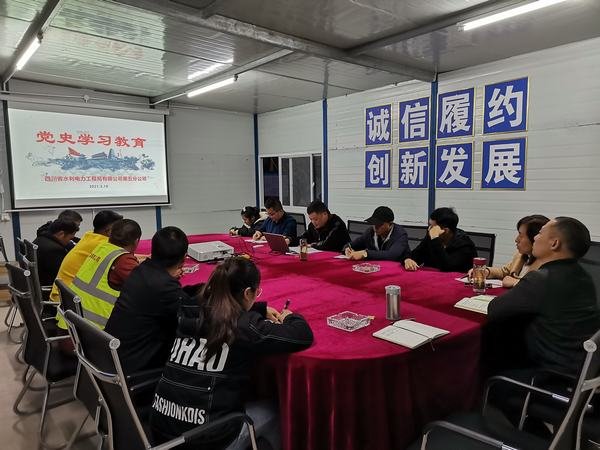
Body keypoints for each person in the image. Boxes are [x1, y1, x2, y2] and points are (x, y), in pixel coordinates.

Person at [149, 257, 313, 450]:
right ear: (247, 293)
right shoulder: (242, 324)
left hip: (161, 431)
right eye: (256, 293)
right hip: (205, 439)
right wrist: (291, 317)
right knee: (276, 411)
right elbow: (301, 335)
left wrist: (259, 308)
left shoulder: (188, 308)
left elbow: (218, 305)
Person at [486, 217, 600, 374]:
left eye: (540, 233)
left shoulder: (542, 279)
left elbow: (495, 309)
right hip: (579, 368)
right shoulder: (584, 276)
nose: (535, 238)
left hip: (549, 374)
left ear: (554, 244)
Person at [105, 226, 203, 377]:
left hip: (113, 357)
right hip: (135, 371)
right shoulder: (164, 287)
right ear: (184, 257)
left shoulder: (141, 271)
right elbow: (195, 317)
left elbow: (180, 298)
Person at [51, 209, 123, 329]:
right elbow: (123, 258)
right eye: (120, 229)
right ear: (109, 231)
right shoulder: (102, 244)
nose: (122, 233)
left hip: (65, 293)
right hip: (69, 301)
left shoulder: (90, 236)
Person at [69, 219, 141, 329]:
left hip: (73, 318)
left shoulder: (102, 247)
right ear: (136, 241)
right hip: (94, 329)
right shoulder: (124, 260)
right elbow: (147, 286)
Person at [470, 215, 549, 288]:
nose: (516, 240)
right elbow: (504, 271)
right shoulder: (520, 255)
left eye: (521, 235)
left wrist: (516, 282)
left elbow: (539, 286)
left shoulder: (545, 264)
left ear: (535, 238)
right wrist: (485, 271)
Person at [404, 207, 476, 272]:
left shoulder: (464, 245)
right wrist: (408, 259)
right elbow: (416, 255)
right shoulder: (431, 237)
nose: (429, 229)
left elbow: (447, 267)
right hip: (431, 277)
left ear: (446, 230)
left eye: (432, 227)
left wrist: (435, 239)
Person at [343, 206, 409, 261]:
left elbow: (392, 255)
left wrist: (366, 253)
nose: (375, 227)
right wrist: (347, 249)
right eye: (374, 223)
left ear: (390, 224)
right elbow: (350, 245)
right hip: (373, 268)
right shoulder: (370, 232)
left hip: (393, 269)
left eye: (380, 224)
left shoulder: (400, 234)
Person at [33, 218, 80, 286]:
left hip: (39, 282)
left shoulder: (41, 238)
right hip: (49, 287)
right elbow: (62, 276)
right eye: (70, 238)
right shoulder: (55, 251)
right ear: (61, 234)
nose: (69, 241)